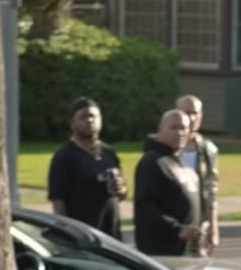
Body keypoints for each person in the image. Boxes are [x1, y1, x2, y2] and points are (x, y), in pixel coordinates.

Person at [46, 96, 125, 239]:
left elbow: (122, 193)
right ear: (72, 123)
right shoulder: (64, 157)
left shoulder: (109, 153)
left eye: (93, 116)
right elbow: (58, 201)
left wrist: (121, 189)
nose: (90, 120)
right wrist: (67, 234)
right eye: (83, 117)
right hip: (82, 237)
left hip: (112, 236)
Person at [132, 109, 203, 257]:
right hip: (162, 253)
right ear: (160, 130)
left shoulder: (180, 161)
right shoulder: (152, 162)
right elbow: (145, 207)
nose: (179, 133)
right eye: (173, 128)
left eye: (183, 128)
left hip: (187, 251)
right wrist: (177, 229)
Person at [175, 94, 219, 256]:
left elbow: (211, 191)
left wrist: (213, 229)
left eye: (196, 113)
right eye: (187, 112)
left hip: (199, 221)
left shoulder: (208, 150)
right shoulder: (167, 147)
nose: (192, 118)